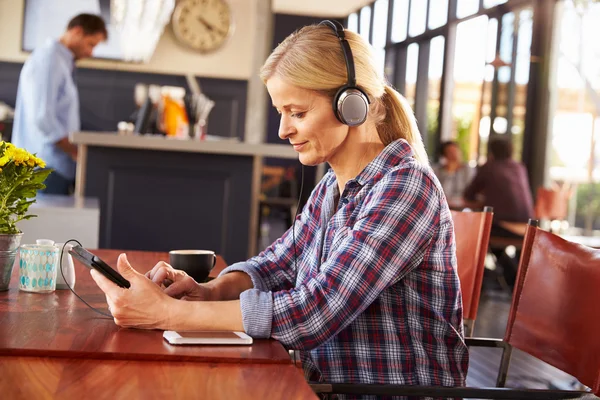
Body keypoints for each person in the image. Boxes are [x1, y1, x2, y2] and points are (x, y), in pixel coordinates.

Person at [90, 21, 468, 392]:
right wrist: (209, 292)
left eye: (298, 113)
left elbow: (317, 310)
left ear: (353, 106)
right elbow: (276, 266)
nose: (283, 130)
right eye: (281, 112)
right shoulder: (331, 190)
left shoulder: (406, 186)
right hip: (321, 385)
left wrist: (169, 314)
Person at [12, 14, 107, 195]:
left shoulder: (62, 61)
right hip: (44, 167)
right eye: (91, 44)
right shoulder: (49, 60)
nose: (91, 53)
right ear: (77, 32)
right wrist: (76, 152)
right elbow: (43, 119)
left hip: (51, 168)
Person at [464, 138, 534, 287]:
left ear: (492, 152)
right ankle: (512, 279)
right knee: (492, 240)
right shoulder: (519, 167)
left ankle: (497, 280)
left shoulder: (489, 167)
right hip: (528, 226)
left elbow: (469, 194)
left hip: (504, 225)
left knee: (477, 235)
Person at [433, 141, 474, 206]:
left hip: (462, 206)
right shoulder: (437, 170)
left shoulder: (467, 170)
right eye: (450, 152)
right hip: (443, 206)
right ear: (444, 156)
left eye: (456, 151)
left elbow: (471, 191)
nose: (454, 154)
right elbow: (444, 193)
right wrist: (450, 172)